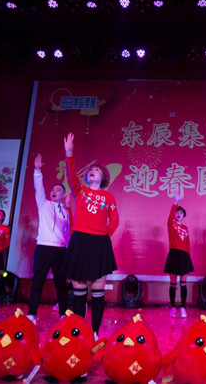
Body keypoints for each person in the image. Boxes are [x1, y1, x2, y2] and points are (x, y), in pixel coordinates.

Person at [62, 132, 119, 339]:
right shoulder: (81, 191)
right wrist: (69, 154)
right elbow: (71, 176)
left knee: (97, 288)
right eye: (91, 170)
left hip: (99, 243)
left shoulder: (108, 196)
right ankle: (78, 331)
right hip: (80, 241)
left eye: (97, 170)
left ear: (103, 177)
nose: (93, 171)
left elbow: (115, 220)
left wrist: (103, 236)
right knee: (78, 286)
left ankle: (94, 332)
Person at [26, 153, 71, 323]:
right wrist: (37, 171)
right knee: (38, 281)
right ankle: (31, 314)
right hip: (44, 247)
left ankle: (63, 314)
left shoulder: (66, 212)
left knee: (61, 284)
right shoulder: (43, 204)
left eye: (58, 190)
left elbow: (67, 233)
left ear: (63, 195)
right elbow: (39, 188)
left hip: (60, 251)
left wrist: (67, 250)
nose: (54, 191)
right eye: (53, 189)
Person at [163, 193, 194, 318]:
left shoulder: (186, 228)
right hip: (174, 254)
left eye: (181, 212)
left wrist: (189, 257)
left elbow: (187, 243)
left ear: (184, 215)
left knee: (183, 283)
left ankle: (183, 308)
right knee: (173, 283)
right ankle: (172, 307)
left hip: (184, 256)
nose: (178, 214)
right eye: (177, 212)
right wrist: (175, 202)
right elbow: (170, 216)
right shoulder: (171, 224)